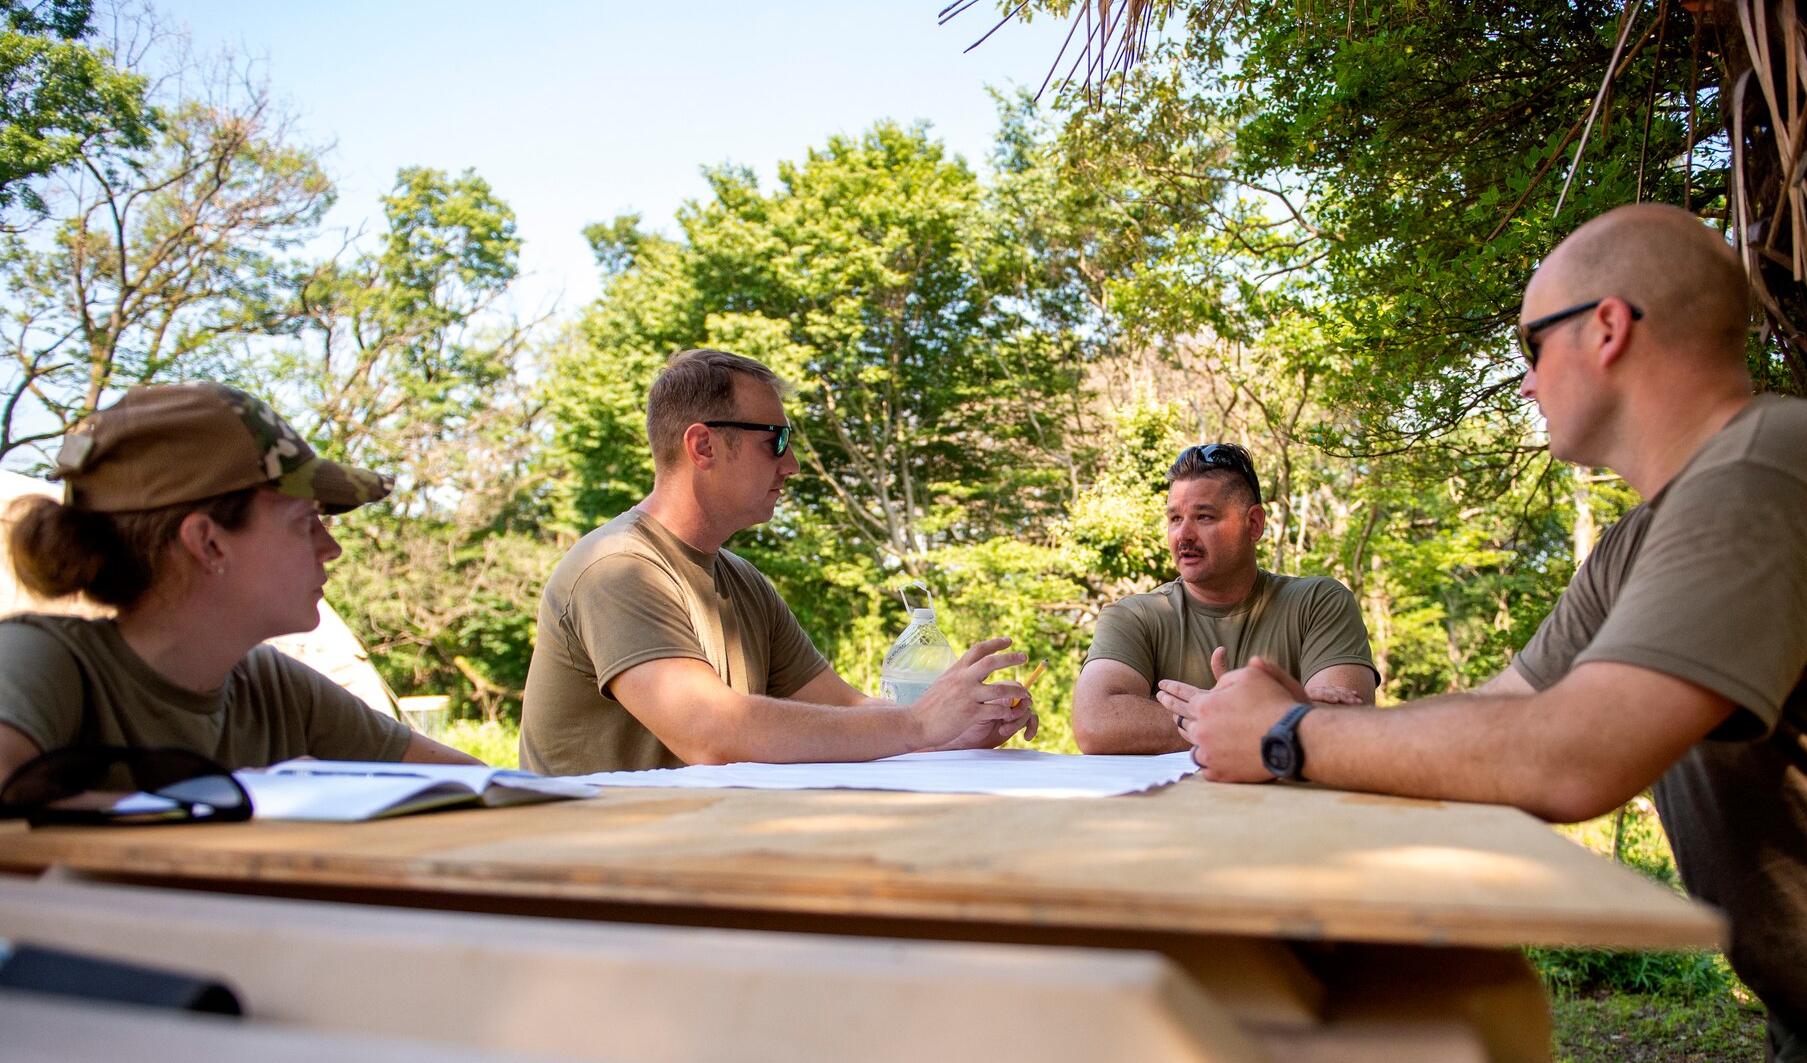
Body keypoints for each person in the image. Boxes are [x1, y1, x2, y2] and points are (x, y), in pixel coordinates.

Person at [1170, 203, 1807, 1063]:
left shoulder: (1771, 468)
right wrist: (1294, 713)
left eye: (1533, 344)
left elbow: (1571, 755)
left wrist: (1288, 735)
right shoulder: (1646, 537)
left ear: (1606, 328)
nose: (1526, 382)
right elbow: (1501, 719)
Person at [519, 349, 1034, 776]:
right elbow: (711, 734)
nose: (793, 465)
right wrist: (919, 725)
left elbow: (842, 709)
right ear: (703, 446)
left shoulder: (742, 581)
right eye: (776, 441)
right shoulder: (616, 569)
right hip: (590, 877)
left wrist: (956, 725)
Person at [0, 382, 480, 783]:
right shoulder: (39, 662)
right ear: (208, 543)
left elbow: (483, 789)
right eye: (303, 521)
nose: (330, 549)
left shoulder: (269, 685)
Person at [1071, 443, 1376, 755]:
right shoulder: (1133, 616)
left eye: (1203, 516)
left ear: (1254, 524)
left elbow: (1342, 726)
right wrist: (1266, 718)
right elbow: (1095, 724)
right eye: (1175, 518)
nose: (1183, 535)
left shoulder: (1318, 603)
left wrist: (1216, 718)